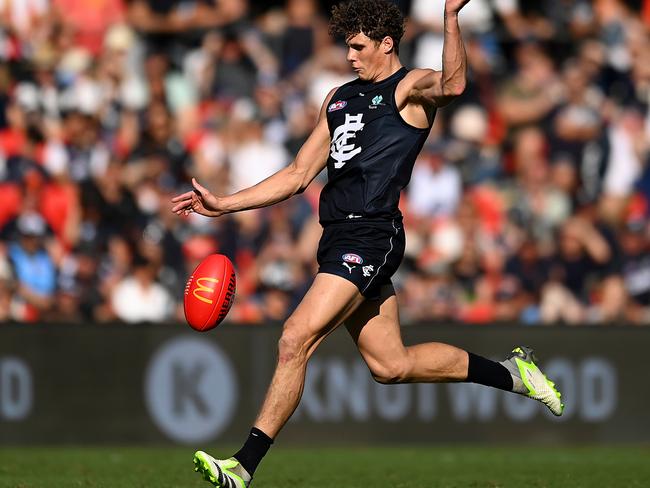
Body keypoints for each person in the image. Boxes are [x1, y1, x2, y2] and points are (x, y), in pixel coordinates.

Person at [171, 1, 564, 486]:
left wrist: (449, 19)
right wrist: (224, 204)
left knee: (295, 338)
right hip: (335, 237)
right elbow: (297, 175)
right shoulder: (337, 98)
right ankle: (513, 374)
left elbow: (455, 84)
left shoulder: (409, 88)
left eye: (358, 47)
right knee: (390, 366)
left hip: (373, 234)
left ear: (386, 43)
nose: (351, 56)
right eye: (347, 46)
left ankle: (242, 465)